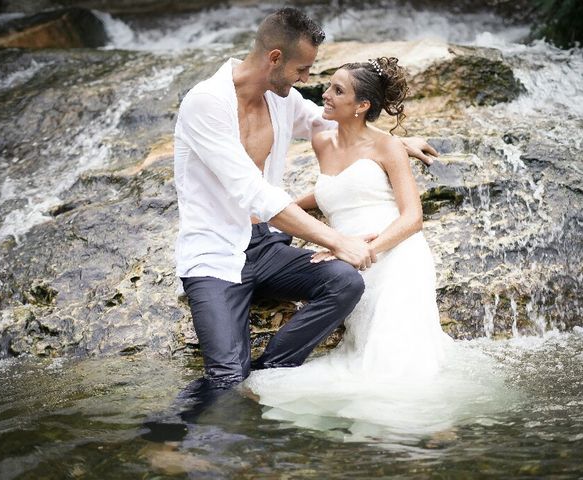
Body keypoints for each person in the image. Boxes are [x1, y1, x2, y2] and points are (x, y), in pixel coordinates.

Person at [174, 8, 437, 390]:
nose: (307, 80)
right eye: (302, 70)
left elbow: (330, 121)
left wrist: (392, 144)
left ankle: (272, 373)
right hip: (214, 256)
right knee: (226, 378)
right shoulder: (206, 103)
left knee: (345, 282)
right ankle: (170, 437)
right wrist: (336, 240)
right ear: (275, 58)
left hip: (265, 248)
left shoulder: (281, 98)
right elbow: (254, 192)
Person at [243, 57, 455, 435]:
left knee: (394, 362)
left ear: (362, 107)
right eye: (329, 85)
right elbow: (332, 191)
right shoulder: (323, 141)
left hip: (395, 252)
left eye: (338, 90)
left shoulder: (388, 147)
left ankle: (421, 427)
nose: (325, 94)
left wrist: (362, 253)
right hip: (348, 254)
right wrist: (283, 209)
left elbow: (412, 219)